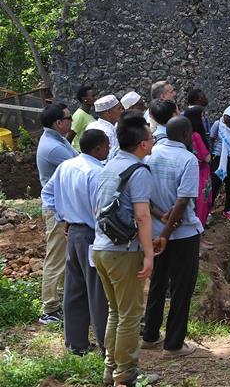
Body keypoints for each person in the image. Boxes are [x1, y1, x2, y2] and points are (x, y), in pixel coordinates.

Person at [93, 112, 158, 387]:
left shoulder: (108, 166)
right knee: (130, 315)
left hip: (100, 248)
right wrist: (149, 255)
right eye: (150, 136)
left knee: (116, 312)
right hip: (124, 251)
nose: (153, 139)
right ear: (142, 144)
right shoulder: (139, 172)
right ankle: (126, 375)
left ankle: (111, 370)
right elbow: (142, 217)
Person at [142, 116, 202, 358]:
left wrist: (160, 217)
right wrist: (168, 229)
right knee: (181, 287)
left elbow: (142, 195)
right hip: (182, 233)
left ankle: (150, 335)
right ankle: (174, 344)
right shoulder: (188, 159)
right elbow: (183, 199)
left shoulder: (149, 155)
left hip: (155, 231)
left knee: (157, 282)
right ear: (187, 135)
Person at [46, 128, 110, 354]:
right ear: (99, 148)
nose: (109, 149)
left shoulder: (66, 166)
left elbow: (47, 194)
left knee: (75, 289)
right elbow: (101, 210)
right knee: (97, 290)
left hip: (73, 233)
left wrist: (61, 216)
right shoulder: (96, 172)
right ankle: (106, 346)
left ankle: (76, 343)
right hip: (92, 234)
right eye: (107, 146)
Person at [36, 103, 78, 325]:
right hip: (56, 210)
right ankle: (49, 308)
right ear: (58, 123)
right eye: (68, 118)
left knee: (64, 256)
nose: (72, 121)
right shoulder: (53, 147)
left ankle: (58, 301)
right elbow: (80, 165)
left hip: (63, 208)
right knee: (56, 257)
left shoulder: (57, 139)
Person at [209, 103, 230, 221]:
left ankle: (228, 209)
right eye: (226, 121)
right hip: (219, 156)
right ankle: (208, 207)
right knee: (215, 183)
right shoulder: (218, 124)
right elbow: (212, 139)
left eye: (229, 122)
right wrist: (211, 155)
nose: (227, 124)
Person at [184, 106, 212, 227]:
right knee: (202, 204)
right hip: (201, 173)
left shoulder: (185, 135)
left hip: (190, 173)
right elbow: (207, 157)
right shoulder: (196, 136)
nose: (203, 118)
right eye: (201, 116)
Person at [87, 95, 124, 161]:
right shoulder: (107, 132)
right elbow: (110, 159)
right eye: (119, 109)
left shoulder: (92, 125)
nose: (122, 111)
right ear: (108, 113)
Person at [71, 85, 97, 152]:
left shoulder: (88, 113)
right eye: (93, 96)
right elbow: (69, 137)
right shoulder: (79, 115)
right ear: (84, 99)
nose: (96, 98)